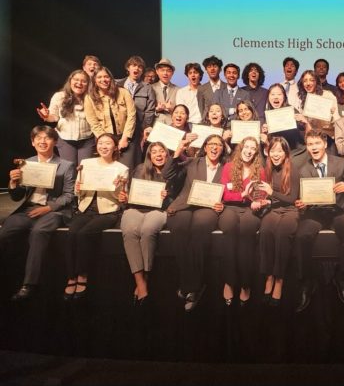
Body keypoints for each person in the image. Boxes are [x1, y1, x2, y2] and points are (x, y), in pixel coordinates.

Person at [0, 126, 74, 301]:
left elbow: (69, 195)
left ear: (55, 142)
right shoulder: (27, 163)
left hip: (53, 211)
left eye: (47, 138)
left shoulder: (65, 165)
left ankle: (29, 284)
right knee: (5, 231)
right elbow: (18, 196)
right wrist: (13, 183)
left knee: (39, 232)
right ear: (32, 142)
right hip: (29, 209)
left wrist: (49, 208)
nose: (42, 141)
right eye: (38, 138)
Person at [295, 130, 344, 312]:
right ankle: (307, 282)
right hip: (315, 212)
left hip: (338, 211)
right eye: (310, 144)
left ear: (324, 144)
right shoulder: (302, 170)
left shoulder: (341, 163)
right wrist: (301, 205)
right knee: (302, 237)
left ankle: (342, 278)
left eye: (317, 143)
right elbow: (301, 198)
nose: (314, 148)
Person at [163, 134, 228, 311]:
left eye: (218, 145)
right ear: (205, 147)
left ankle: (190, 287)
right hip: (184, 205)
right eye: (211, 144)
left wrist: (223, 204)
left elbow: (231, 191)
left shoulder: (227, 168)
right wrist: (179, 149)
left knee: (199, 233)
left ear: (223, 149)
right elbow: (167, 173)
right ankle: (193, 285)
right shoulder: (192, 162)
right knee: (180, 231)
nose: (214, 148)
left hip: (208, 208)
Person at [64, 133, 129, 300]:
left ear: (115, 147)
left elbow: (121, 199)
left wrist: (120, 192)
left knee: (85, 234)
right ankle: (71, 276)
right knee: (72, 233)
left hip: (108, 211)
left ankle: (83, 275)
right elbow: (79, 192)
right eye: (101, 143)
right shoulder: (86, 163)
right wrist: (78, 188)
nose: (104, 146)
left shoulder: (121, 169)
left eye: (108, 143)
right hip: (86, 208)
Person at [119, 142, 175, 305]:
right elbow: (132, 194)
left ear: (167, 154)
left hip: (159, 210)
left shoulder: (173, 172)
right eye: (154, 152)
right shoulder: (139, 169)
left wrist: (167, 196)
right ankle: (140, 281)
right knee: (129, 231)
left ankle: (147, 276)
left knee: (148, 230)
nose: (158, 155)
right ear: (149, 156)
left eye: (161, 151)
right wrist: (125, 197)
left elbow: (179, 197)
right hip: (136, 208)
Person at [219, 136, 266, 305]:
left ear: (256, 152)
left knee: (247, 232)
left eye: (253, 148)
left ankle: (246, 284)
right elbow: (224, 193)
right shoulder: (229, 167)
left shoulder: (260, 170)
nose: (249, 151)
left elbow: (262, 194)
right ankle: (229, 282)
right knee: (229, 231)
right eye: (246, 147)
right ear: (241, 148)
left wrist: (257, 200)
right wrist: (243, 195)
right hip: (230, 208)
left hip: (249, 209)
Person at [257, 136, 300, 306]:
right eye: (272, 150)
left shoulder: (293, 169)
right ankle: (269, 276)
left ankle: (279, 278)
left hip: (290, 210)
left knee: (283, 234)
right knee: (266, 232)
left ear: (286, 153)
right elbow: (264, 194)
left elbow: (293, 199)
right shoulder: (266, 169)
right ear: (268, 152)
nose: (275, 154)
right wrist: (263, 200)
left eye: (279, 151)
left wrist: (271, 193)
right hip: (273, 209)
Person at [36, 70, 95, 165]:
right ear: (70, 81)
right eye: (76, 79)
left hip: (87, 140)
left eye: (83, 81)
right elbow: (54, 117)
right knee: (69, 169)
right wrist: (47, 116)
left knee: (84, 170)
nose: (79, 83)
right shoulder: (60, 96)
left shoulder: (91, 97)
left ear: (88, 84)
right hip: (65, 139)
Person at [83, 66, 137, 171]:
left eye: (106, 77)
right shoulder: (89, 98)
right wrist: (106, 141)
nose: (103, 80)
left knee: (126, 170)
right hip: (104, 140)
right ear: (94, 80)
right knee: (107, 170)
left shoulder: (123, 92)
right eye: (99, 77)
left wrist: (125, 138)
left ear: (110, 78)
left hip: (125, 138)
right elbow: (93, 122)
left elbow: (132, 115)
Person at [116, 55, 157, 168]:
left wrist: (144, 129)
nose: (137, 69)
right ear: (128, 68)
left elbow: (150, 110)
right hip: (117, 130)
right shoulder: (117, 84)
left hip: (137, 131)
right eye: (134, 65)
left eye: (140, 67)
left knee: (132, 163)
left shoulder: (147, 87)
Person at [296, 69, 340, 151]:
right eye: (305, 81)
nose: (308, 83)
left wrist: (331, 115)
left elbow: (337, 122)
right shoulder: (300, 98)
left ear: (316, 82)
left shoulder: (327, 95)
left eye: (311, 80)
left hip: (327, 139)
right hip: (309, 140)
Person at [262, 83, 306, 160]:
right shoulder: (268, 115)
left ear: (284, 97)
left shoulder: (291, 111)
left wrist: (303, 121)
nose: (276, 97)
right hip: (277, 155)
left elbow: (304, 134)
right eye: (272, 94)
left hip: (295, 153)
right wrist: (265, 132)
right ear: (268, 97)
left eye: (279, 94)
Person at [152, 58, 179, 125]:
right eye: (162, 70)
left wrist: (172, 109)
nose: (165, 73)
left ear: (172, 73)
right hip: (155, 125)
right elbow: (146, 111)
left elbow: (181, 111)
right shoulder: (151, 88)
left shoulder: (178, 90)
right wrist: (156, 109)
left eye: (168, 71)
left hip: (172, 125)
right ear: (157, 72)